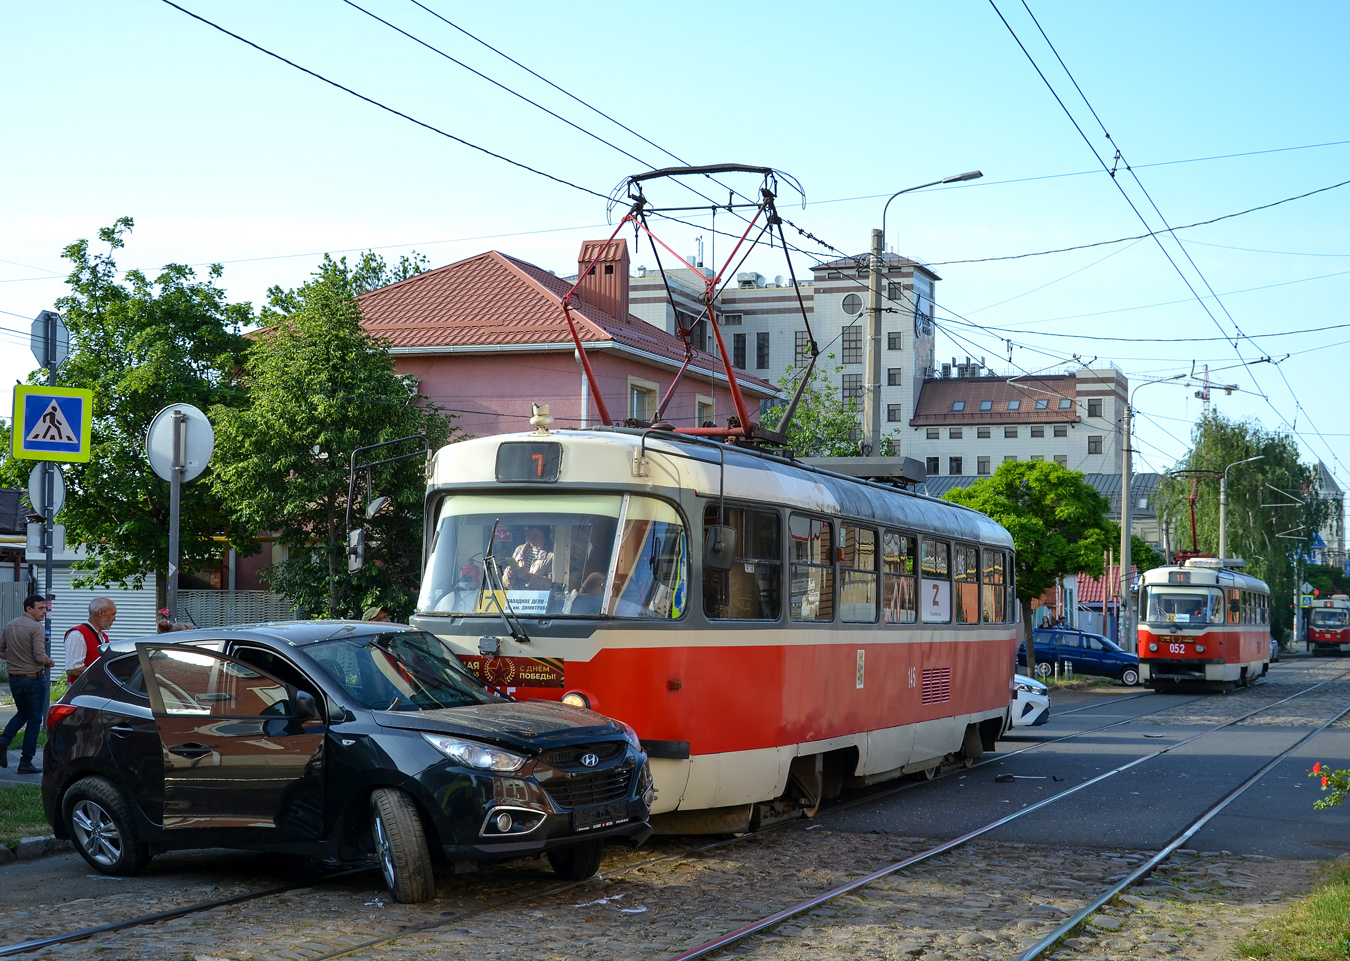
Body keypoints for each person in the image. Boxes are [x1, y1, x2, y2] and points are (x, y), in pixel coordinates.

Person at [0, 594, 55, 774]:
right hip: (32, 679)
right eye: (40, 608)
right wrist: (49, 661)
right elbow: (40, 657)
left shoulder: (10, 625)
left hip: (15, 678)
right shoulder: (35, 628)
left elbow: (1, 650)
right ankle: (26, 762)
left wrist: (15, 658)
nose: (44, 612)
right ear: (28, 608)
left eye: (45, 608)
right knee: (34, 719)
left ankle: (3, 741)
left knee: (23, 712)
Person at [65, 597, 116, 682]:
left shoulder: (103, 636)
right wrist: (105, 672)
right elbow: (73, 669)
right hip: (83, 691)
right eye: (112, 614)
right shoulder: (77, 635)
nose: (114, 619)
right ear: (101, 613)